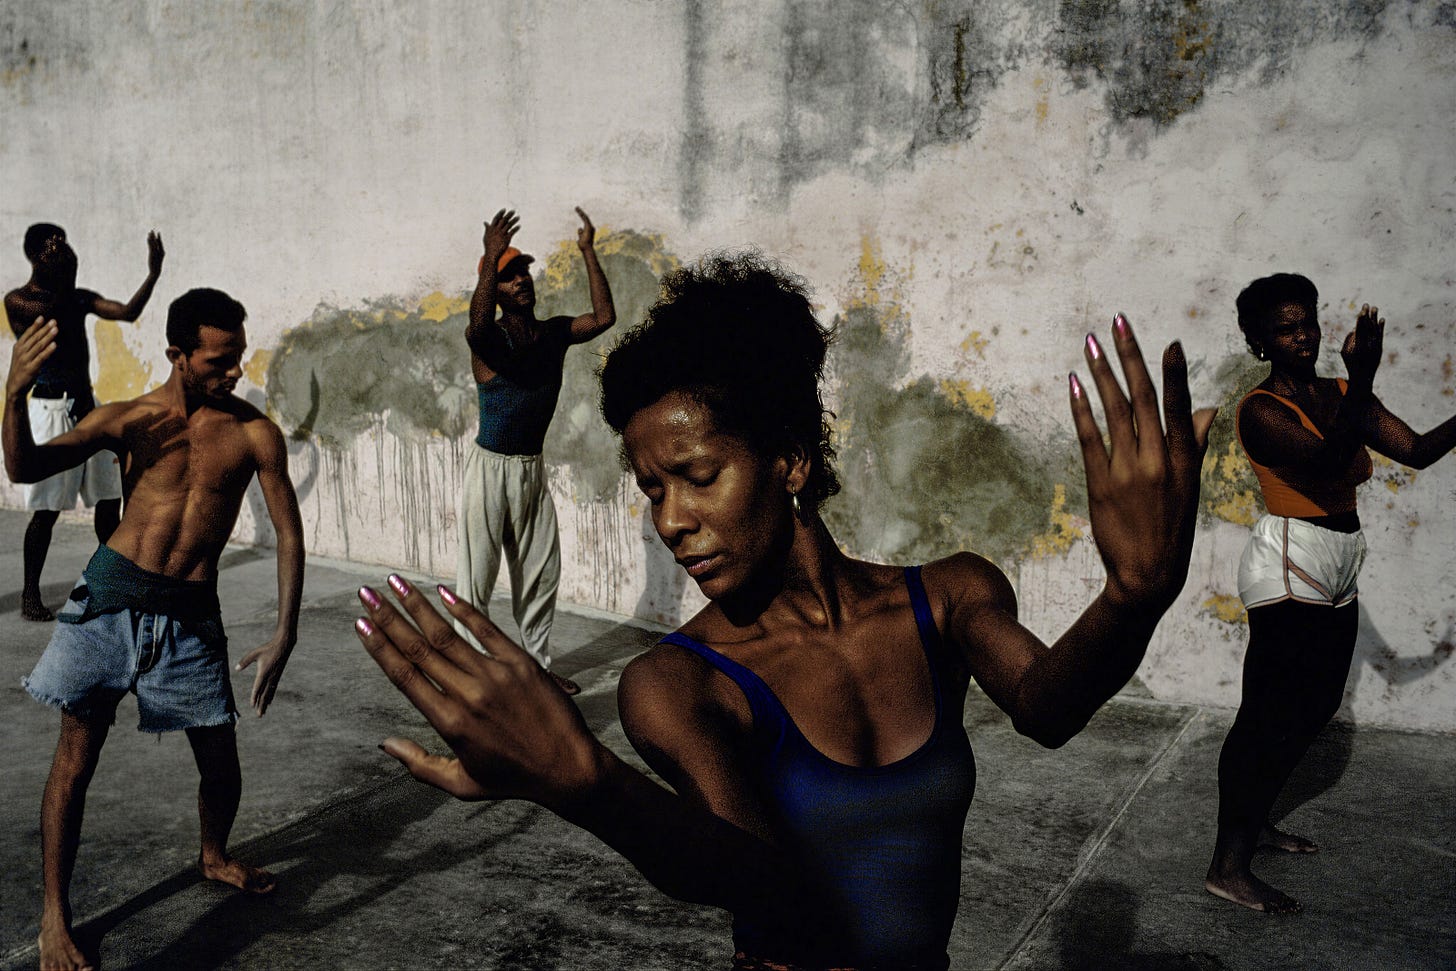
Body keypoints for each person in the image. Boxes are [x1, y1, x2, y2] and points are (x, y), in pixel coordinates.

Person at [354, 253, 1214, 969]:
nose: (670, 520)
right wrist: (589, 785)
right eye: (652, 489)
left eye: (697, 476)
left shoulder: (948, 594)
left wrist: (1132, 597)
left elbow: (1048, 706)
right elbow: (755, 875)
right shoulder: (677, 682)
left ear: (789, 462)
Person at [5, 287, 305, 971]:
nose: (233, 373)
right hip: (107, 603)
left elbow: (288, 532)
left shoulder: (255, 432)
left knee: (221, 765)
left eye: (238, 358)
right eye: (217, 361)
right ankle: (56, 915)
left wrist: (285, 629)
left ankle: (213, 854)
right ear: (176, 353)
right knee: (75, 762)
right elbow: (24, 466)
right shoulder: (129, 419)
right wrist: (15, 395)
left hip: (191, 616)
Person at [1205, 274, 1456, 914]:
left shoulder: (1341, 391)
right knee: (1266, 715)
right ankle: (1227, 866)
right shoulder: (1260, 411)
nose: (1305, 337)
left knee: (1314, 708)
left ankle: (1254, 818)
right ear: (1259, 341)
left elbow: (1420, 450)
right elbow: (1326, 465)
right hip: (1289, 561)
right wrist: (1365, 377)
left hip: (1341, 558)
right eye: (1287, 329)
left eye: (1308, 322)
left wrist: (1362, 383)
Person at [457, 206, 616, 696]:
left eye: (523, 271)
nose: (521, 281)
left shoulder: (552, 334)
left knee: (542, 573)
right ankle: (468, 675)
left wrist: (588, 252)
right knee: (476, 579)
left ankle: (536, 668)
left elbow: (605, 318)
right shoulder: (492, 341)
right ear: (496, 290)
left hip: (530, 471)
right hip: (490, 470)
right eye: (509, 278)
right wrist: (488, 260)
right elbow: (476, 328)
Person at [5, 224, 165, 620]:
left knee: (109, 502)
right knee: (47, 511)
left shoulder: (75, 297)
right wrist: (71, 275)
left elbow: (128, 312)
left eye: (65, 245)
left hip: (86, 405)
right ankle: (29, 596)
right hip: (50, 409)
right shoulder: (20, 301)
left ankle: (112, 583)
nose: (64, 252)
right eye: (53, 248)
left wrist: (153, 273)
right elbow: (52, 309)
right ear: (34, 255)